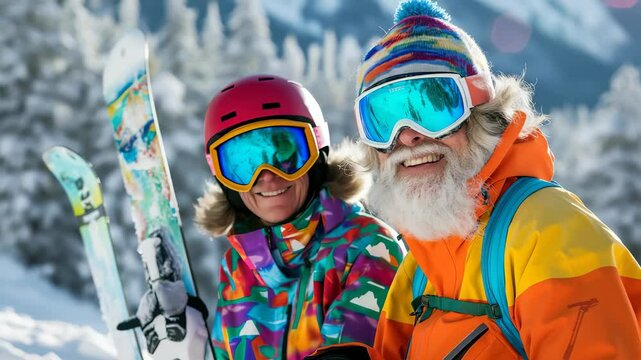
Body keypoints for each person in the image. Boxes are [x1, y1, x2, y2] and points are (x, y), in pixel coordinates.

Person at [349, 0, 641, 359]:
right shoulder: (420, 266)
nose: (407, 136)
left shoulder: (549, 232)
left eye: (432, 107)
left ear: (483, 115)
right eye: (382, 118)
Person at [192, 74, 406, 359]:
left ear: (317, 154)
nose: (267, 177)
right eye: (244, 164)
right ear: (223, 177)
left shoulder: (369, 247)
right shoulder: (237, 266)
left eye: (286, 156)